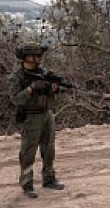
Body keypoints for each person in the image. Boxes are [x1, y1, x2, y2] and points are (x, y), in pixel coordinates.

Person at [7, 42, 66, 199]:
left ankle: (49, 179)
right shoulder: (17, 77)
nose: (40, 58)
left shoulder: (44, 73)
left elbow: (55, 92)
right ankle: (27, 184)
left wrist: (54, 88)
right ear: (28, 57)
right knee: (28, 152)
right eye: (37, 55)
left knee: (49, 149)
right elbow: (15, 99)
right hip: (31, 116)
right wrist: (31, 88)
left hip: (47, 114)